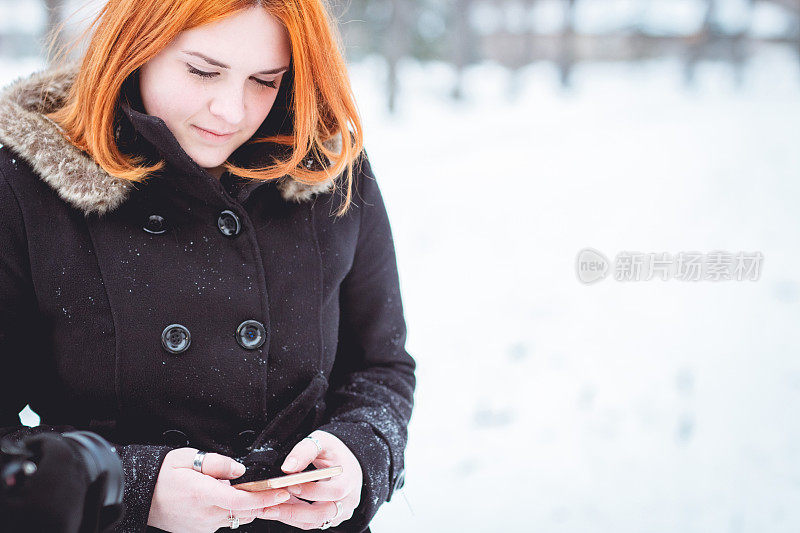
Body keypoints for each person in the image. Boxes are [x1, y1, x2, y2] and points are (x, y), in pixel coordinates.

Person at [0, 0, 415, 531]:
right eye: (202, 71)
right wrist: (132, 488)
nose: (231, 111)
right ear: (136, 45)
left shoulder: (328, 171)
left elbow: (380, 365)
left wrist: (359, 454)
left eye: (264, 81)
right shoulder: (26, 186)